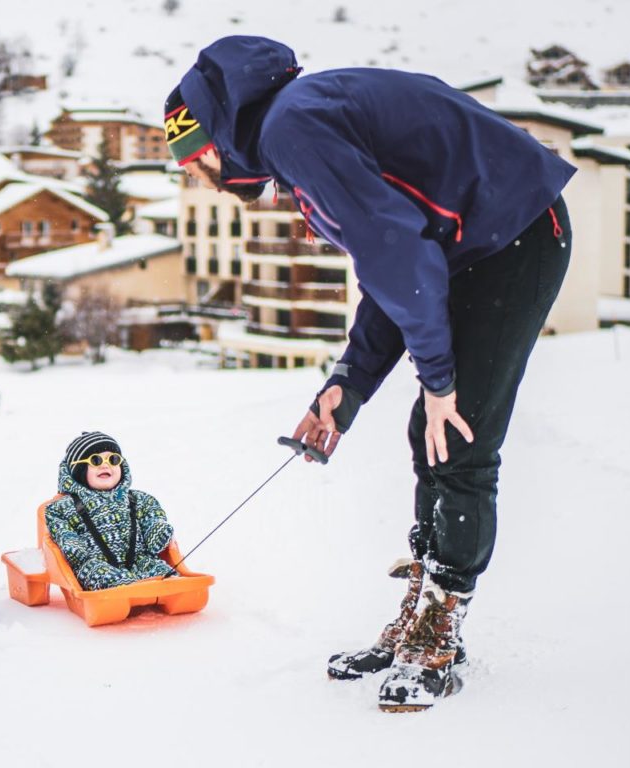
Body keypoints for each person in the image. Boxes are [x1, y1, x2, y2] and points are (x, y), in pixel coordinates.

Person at [167, 36, 575, 712]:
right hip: (478, 242)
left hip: (517, 233)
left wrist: (441, 382)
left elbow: (395, 256)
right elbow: (391, 267)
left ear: (213, 142)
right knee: (431, 434)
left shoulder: (293, 130)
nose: (194, 177)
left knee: (460, 433)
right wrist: (347, 388)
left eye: (191, 164)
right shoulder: (294, 130)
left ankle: (440, 631)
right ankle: (422, 612)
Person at [44, 432, 177, 590]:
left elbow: (153, 516)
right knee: (100, 575)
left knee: (162, 571)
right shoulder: (63, 507)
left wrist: (156, 530)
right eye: (96, 460)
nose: (105, 465)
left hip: (139, 560)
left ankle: (172, 589)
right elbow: (61, 529)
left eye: (113, 459)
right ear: (79, 469)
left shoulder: (139, 499)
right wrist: (74, 547)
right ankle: (122, 589)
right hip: (94, 564)